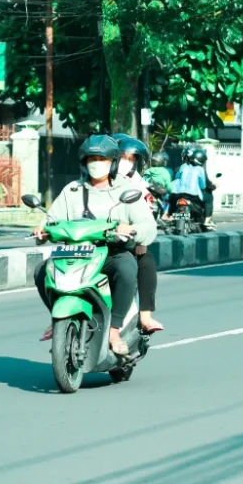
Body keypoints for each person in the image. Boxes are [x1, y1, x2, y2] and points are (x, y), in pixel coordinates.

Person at [33, 135, 156, 355]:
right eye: (92, 158)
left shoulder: (126, 190)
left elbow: (147, 224)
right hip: (76, 252)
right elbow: (51, 219)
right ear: (83, 162)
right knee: (42, 271)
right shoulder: (72, 191)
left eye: (102, 158)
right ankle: (57, 317)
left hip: (111, 252)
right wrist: (42, 230)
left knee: (127, 270)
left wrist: (132, 229)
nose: (96, 163)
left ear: (113, 162)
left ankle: (114, 329)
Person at [112, 134, 165, 334]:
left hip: (125, 242)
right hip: (93, 241)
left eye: (132, 159)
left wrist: (139, 237)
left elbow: (147, 217)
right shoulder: (92, 181)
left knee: (146, 261)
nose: (127, 163)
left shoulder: (139, 186)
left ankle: (145, 316)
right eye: (123, 157)